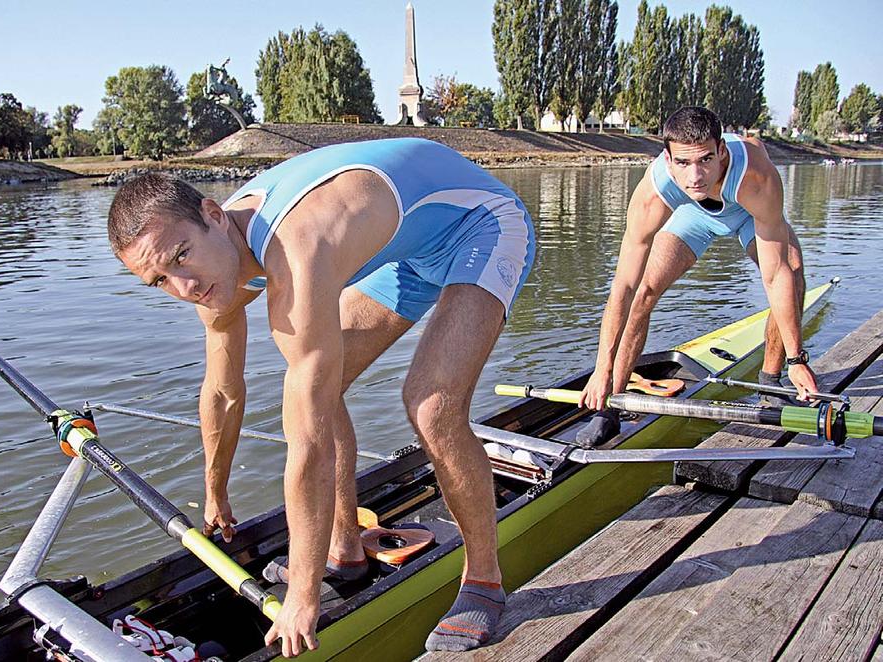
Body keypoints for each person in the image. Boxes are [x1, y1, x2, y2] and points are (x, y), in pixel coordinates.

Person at [106, 138, 536, 656]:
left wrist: (302, 596)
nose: (184, 285)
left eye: (181, 256)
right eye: (160, 280)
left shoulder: (298, 248)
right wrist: (215, 490)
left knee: (430, 403)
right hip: (405, 251)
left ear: (214, 215)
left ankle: (484, 580)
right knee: (319, 384)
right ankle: (343, 546)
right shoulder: (212, 272)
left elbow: (307, 443)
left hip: (479, 224)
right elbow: (222, 393)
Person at [578, 106, 818, 446]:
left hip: (747, 213)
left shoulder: (757, 177)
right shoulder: (654, 191)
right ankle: (610, 405)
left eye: (705, 160)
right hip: (693, 215)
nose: (695, 176)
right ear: (667, 157)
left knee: (791, 274)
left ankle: (772, 379)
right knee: (644, 290)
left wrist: (798, 357)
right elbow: (624, 286)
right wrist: (600, 369)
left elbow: (775, 274)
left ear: (721, 151)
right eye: (683, 163)